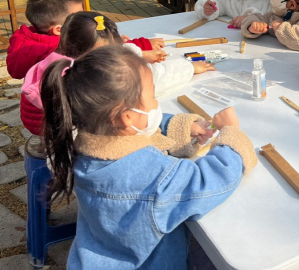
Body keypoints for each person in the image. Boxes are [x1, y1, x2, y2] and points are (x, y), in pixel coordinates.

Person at [41, 45, 256, 269]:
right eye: (152, 97)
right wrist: (232, 136)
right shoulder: (155, 178)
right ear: (127, 117)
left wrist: (183, 127)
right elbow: (210, 183)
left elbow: (139, 132)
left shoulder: (83, 145)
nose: (156, 105)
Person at [21, 12, 215, 135]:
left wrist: (139, 52)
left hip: (45, 126)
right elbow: (155, 78)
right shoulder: (93, 80)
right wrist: (188, 67)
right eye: (113, 53)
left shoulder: (59, 59)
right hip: (68, 136)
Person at [6, 0, 160, 80]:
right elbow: (102, 51)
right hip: (60, 115)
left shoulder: (25, 40)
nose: (83, 17)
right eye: (77, 15)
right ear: (58, 30)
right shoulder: (63, 48)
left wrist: (139, 43)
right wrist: (141, 49)